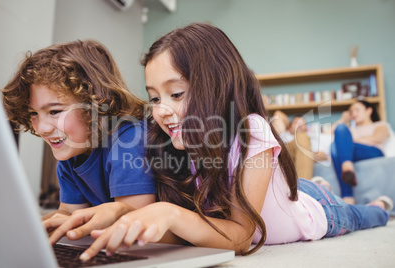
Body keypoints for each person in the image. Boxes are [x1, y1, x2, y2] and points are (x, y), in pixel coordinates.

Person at [65, 23, 390, 261]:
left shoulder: (252, 131)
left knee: (363, 216)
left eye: (176, 94)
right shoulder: (177, 143)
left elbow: (241, 236)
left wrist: (170, 214)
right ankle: (311, 184)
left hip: (317, 211)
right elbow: (193, 228)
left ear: (216, 85)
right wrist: (122, 215)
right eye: (154, 98)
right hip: (284, 195)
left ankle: (380, 204)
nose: (161, 111)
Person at [1, 40, 158, 244]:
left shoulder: (129, 139)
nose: (42, 128)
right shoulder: (71, 155)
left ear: (96, 105)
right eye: (34, 113)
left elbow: (135, 223)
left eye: (55, 111)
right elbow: (69, 214)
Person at [331, 99, 394, 204]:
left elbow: (377, 138)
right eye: (351, 112)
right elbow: (330, 133)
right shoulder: (351, 130)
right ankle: (347, 168)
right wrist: (342, 119)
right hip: (352, 153)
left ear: (369, 110)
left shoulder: (380, 125)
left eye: (357, 110)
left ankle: (347, 194)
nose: (354, 114)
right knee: (336, 140)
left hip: (373, 151)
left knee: (337, 145)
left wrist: (347, 142)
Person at [271, 110, 315, 180]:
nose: (299, 125)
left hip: (304, 152)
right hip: (284, 152)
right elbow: (278, 114)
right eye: (296, 123)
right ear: (290, 127)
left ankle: (302, 187)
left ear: (306, 128)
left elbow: (324, 155)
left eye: (302, 123)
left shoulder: (312, 137)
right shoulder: (284, 135)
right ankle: (303, 188)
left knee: (302, 137)